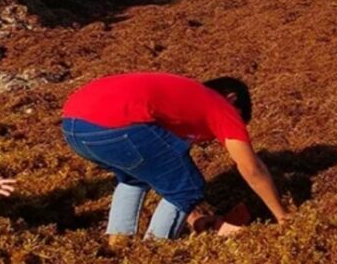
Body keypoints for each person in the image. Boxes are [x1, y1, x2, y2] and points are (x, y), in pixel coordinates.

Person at [60, 73, 288, 241]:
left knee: (135, 178)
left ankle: (118, 242)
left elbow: (165, 166)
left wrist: (194, 215)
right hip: (114, 124)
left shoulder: (183, 99)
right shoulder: (220, 105)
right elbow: (251, 168)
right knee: (188, 188)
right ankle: (156, 246)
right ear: (231, 99)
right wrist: (282, 217)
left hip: (73, 126)